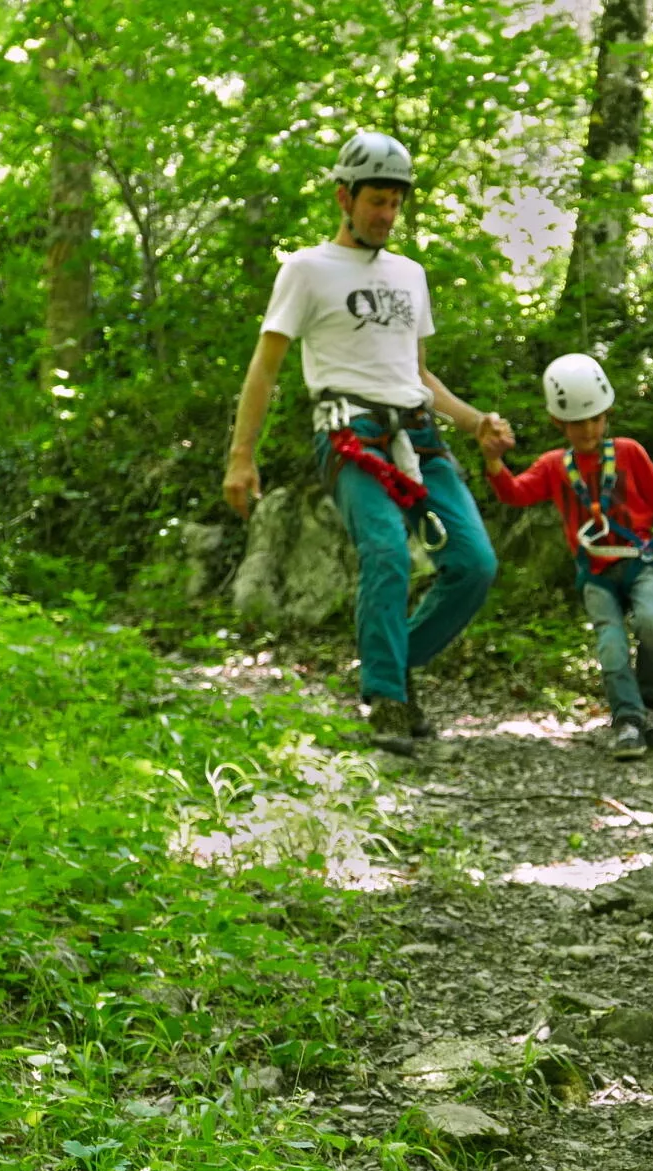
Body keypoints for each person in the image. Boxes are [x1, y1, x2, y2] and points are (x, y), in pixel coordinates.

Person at [221, 130, 510, 753]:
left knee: (474, 564)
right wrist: (242, 456)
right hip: (350, 435)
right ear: (344, 198)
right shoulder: (306, 270)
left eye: (395, 203)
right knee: (386, 553)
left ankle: (393, 664)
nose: (386, 214)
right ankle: (386, 699)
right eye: (376, 201)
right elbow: (265, 369)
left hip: (419, 435)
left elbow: (420, 374)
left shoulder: (410, 275)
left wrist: (475, 422)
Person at [480, 354, 653, 758]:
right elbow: (515, 493)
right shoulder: (555, 466)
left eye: (595, 419)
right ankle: (627, 720)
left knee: (651, 623)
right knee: (610, 644)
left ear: (607, 415)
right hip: (595, 573)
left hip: (640, 562)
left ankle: (652, 708)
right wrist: (492, 460)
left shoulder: (628, 453)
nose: (588, 429)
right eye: (578, 422)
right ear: (559, 423)